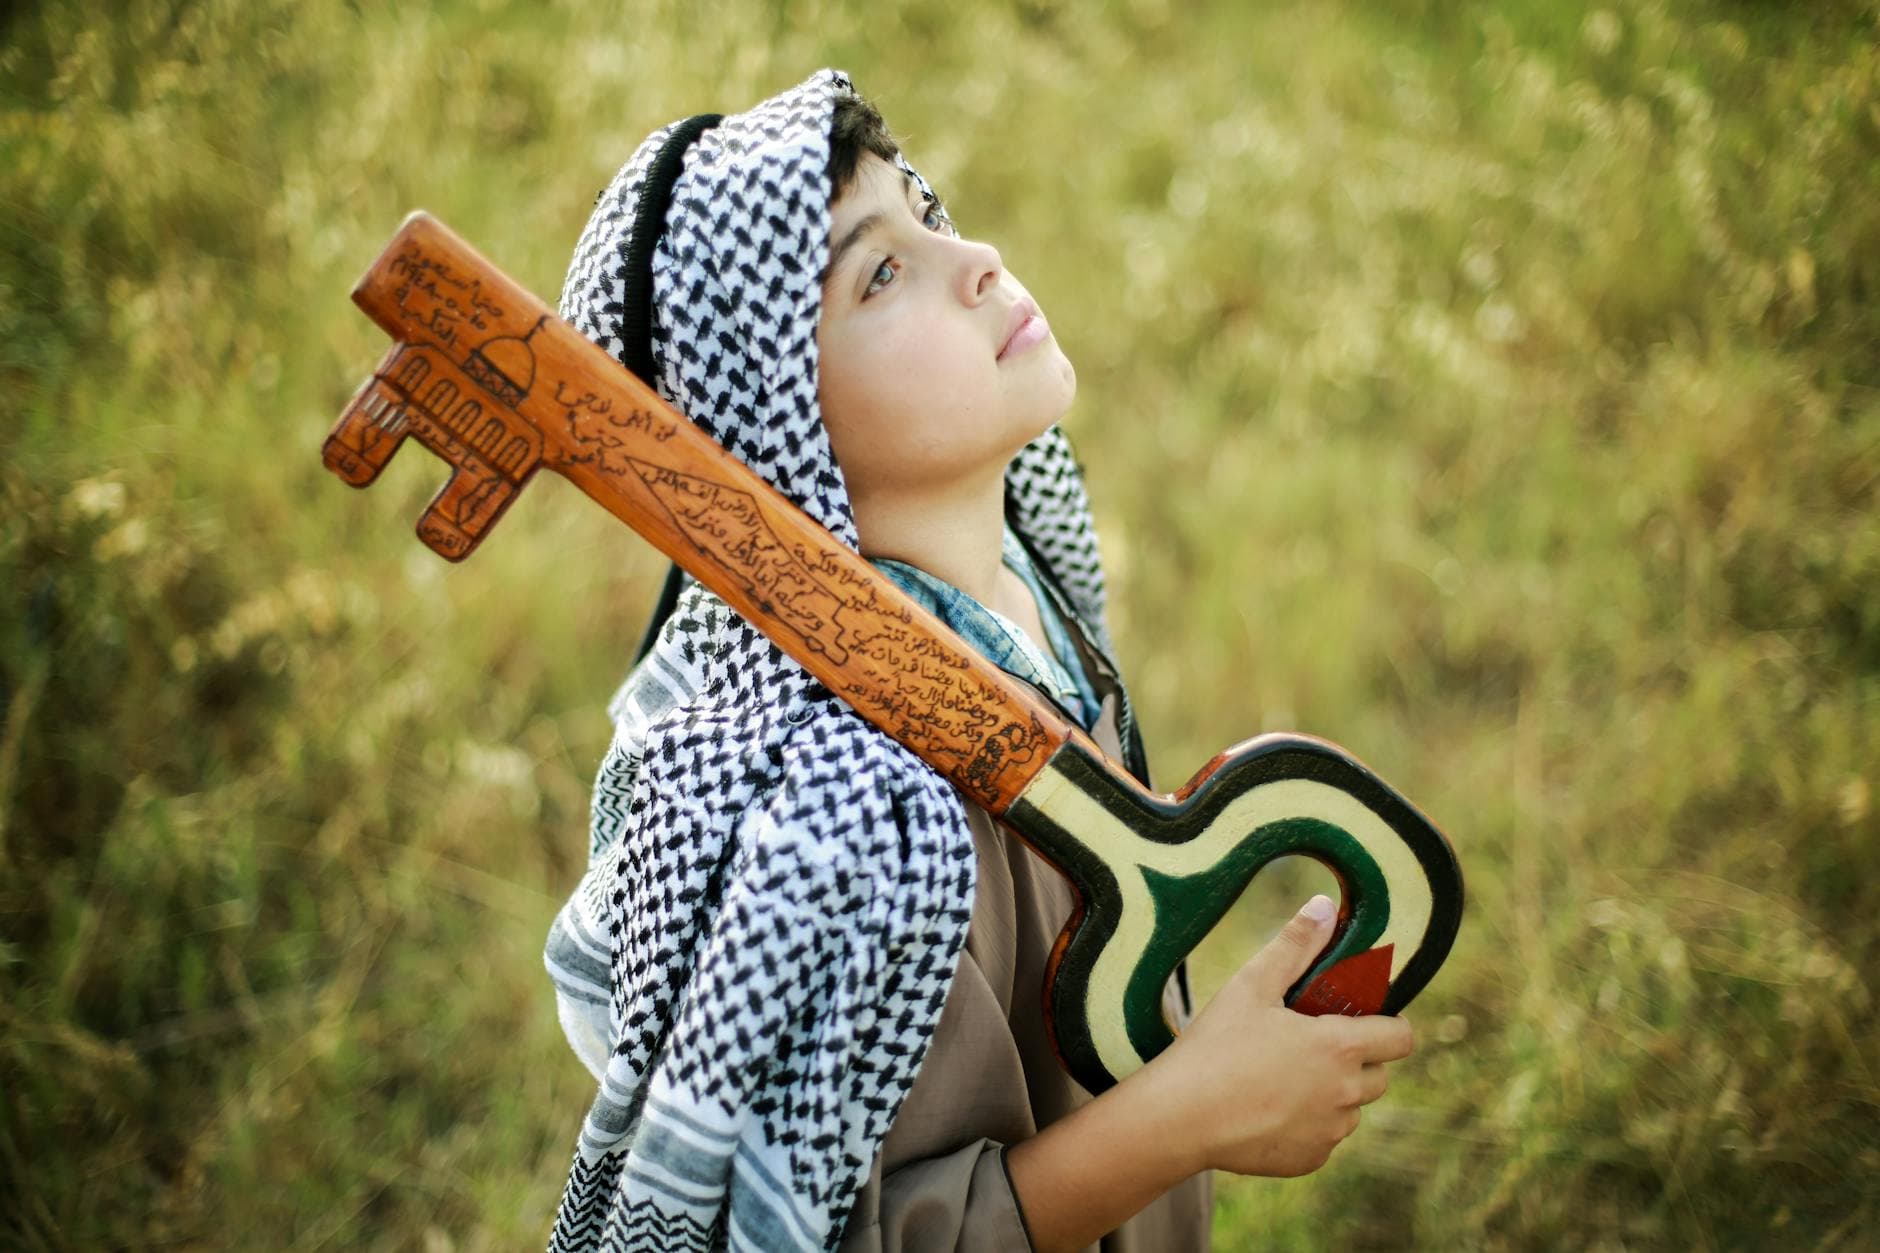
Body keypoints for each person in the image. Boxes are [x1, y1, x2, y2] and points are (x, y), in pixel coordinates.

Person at [542, 69, 1414, 1253]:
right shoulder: (859, 820)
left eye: (926, 214)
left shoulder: (1011, 583)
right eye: (879, 273)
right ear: (774, 424)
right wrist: (1192, 1111)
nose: (979, 260)